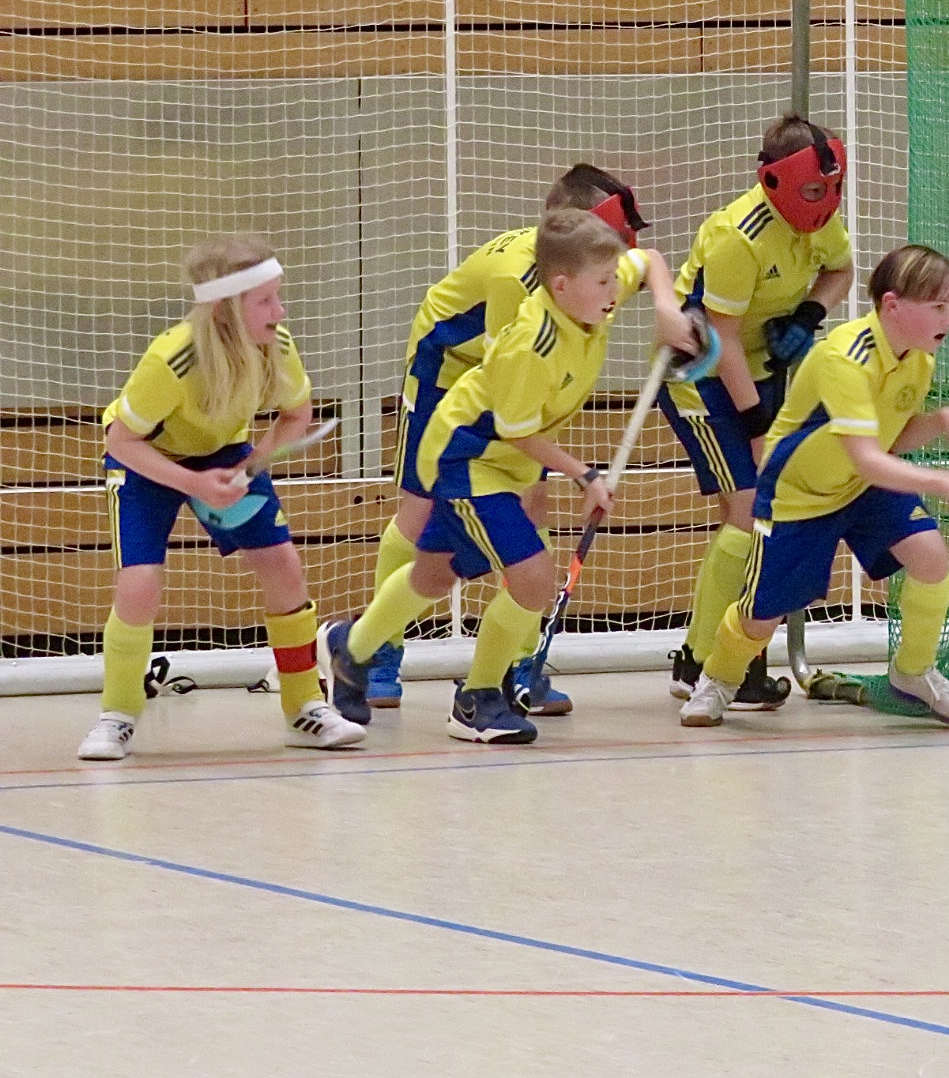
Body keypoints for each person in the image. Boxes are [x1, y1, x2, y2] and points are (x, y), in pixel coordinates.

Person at [327, 209, 701, 744]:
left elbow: (651, 262)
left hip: (499, 457)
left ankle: (350, 649)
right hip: (469, 457)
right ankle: (477, 698)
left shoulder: (593, 294)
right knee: (533, 579)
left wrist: (665, 308)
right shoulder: (531, 343)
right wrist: (585, 475)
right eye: (603, 282)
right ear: (561, 285)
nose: (615, 290)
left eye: (614, 278)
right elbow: (519, 433)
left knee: (433, 575)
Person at [368, 164, 648, 714]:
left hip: (511, 385)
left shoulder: (583, 284)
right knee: (420, 512)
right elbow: (504, 384)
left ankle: (518, 665)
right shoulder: (515, 282)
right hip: (447, 372)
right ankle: (378, 653)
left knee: (532, 505)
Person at [679, 244, 949, 729]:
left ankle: (914, 673)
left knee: (932, 561)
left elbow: (888, 437)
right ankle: (717, 680)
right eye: (937, 307)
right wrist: (942, 480)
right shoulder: (845, 357)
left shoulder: (918, 360)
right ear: (892, 305)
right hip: (800, 492)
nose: (948, 320)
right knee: (763, 615)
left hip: (862, 484)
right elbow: (868, 457)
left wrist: (939, 421)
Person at [79, 237, 364, 760]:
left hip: (223, 451)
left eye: (278, 296)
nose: (280, 311)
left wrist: (248, 467)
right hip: (145, 459)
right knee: (139, 585)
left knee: (283, 566)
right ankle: (117, 714)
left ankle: (304, 707)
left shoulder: (277, 346)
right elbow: (121, 441)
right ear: (223, 309)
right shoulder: (172, 359)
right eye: (265, 300)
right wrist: (195, 484)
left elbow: (296, 416)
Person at [661, 115, 853, 709]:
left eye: (834, 188)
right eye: (814, 189)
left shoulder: (819, 220)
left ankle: (714, 659)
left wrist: (807, 316)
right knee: (748, 512)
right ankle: (704, 661)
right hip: (703, 375)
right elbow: (720, 340)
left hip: (757, 369)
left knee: (746, 518)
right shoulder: (737, 237)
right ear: (774, 181)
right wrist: (756, 427)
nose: (827, 202)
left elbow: (841, 269)